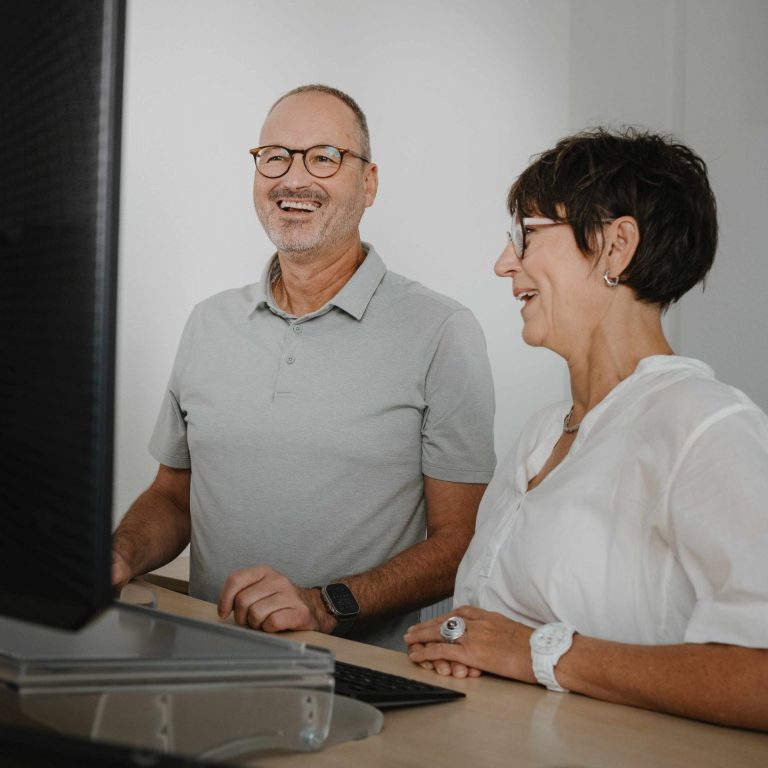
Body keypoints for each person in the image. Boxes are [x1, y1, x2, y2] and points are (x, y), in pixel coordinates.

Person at [405, 127, 768, 730]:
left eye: (528, 235)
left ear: (615, 246)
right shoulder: (540, 434)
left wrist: (540, 651)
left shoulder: (706, 426)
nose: (503, 264)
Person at [111, 85, 496, 650]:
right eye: (275, 156)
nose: (294, 179)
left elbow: (461, 541)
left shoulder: (441, 331)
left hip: (360, 676)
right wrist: (117, 554)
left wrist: (325, 605)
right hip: (205, 659)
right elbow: (173, 497)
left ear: (368, 184)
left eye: (324, 157)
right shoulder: (208, 322)